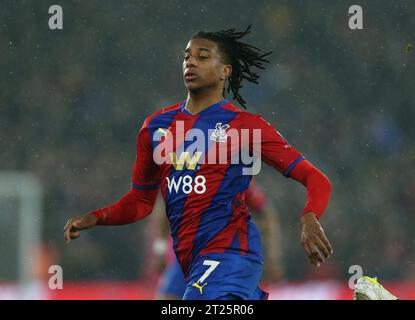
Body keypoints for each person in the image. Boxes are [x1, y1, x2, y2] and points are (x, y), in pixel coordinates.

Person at [64, 25, 333, 300]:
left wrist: (309, 218)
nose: (191, 61)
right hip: (190, 261)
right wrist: (98, 217)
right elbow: (141, 202)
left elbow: (315, 178)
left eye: (203, 56)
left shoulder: (246, 126)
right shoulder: (155, 127)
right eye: (186, 56)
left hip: (231, 254)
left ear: (225, 71)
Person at [155, 179, 284, 300]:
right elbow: (164, 214)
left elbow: (266, 215)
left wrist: (272, 256)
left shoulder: (237, 177)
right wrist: (160, 250)